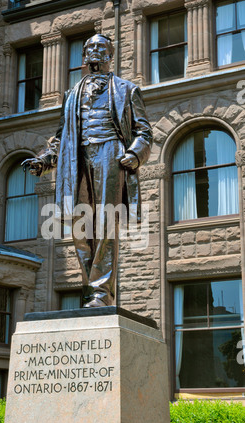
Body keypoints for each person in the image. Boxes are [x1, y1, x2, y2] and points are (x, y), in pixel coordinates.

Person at [22, 34, 152, 308]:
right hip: (77, 160)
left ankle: (102, 294)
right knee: (81, 229)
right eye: (90, 47)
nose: (95, 50)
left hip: (111, 156)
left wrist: (135, 153)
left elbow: (144, 131)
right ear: (84, 55)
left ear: (110, 54)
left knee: (106, 225)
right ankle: (90, 292)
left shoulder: (127, 90)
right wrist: (44, 161)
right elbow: (60, 138)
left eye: (101, 47)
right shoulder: (71, 95)